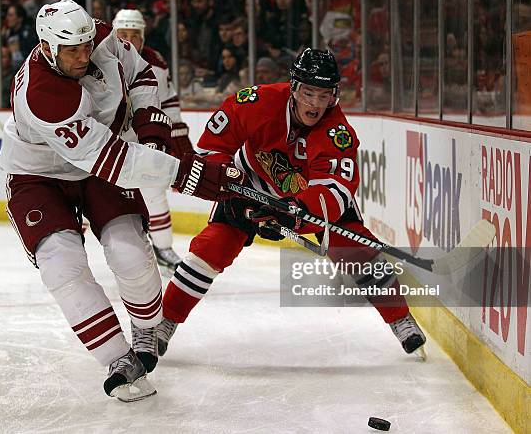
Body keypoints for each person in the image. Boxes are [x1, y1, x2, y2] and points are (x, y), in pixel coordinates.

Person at [0, 0, 244, 402]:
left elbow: (142, 72)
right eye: (71, 51)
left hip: (104, 158)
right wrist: (187, 173)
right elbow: (111, 161)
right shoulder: (42, 93)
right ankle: (116, 358)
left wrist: (150, 120)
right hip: (39, 175)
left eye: (85, 45)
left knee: (129, 252)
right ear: (46, 47)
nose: (82, 55)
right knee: (62, 265)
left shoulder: (99, 36)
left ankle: (146, 328)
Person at [155, 48, 427, 359]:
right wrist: (230, 187)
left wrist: (293, 217)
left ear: (334, 95)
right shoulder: (257, 102)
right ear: (294, 87)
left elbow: (335, 192)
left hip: (305, 203)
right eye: (308, 92)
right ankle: (164, 323)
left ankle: (401, 318)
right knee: (211, 248)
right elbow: (211, 149)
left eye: (324, 95)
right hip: (249, 184)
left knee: (356, 249)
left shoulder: (339, 133)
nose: (315, 103)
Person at [112, 8, 195, 275]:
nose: (127, 41)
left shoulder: (155, 63)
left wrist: (178, 133)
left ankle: (163, 248)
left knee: (154, 192)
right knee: (93, 193)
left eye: (133, 36)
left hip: (143, 137)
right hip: (106, 138)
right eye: (122, 35)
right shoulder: (98, 60)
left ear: (143, 37)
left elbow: (168, 99)